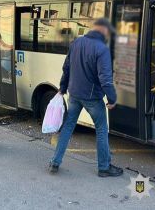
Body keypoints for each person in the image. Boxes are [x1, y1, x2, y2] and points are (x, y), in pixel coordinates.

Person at [49, 18, 123, 177]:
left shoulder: (76, 43)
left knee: (68, 127)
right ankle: (104, 167)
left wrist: (62, 88)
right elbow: (105, 79)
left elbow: (66, 68)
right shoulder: (102, 49)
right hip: (92, 98)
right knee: (102, 129)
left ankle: (55, 162)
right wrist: (112, 99)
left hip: (74, 94)